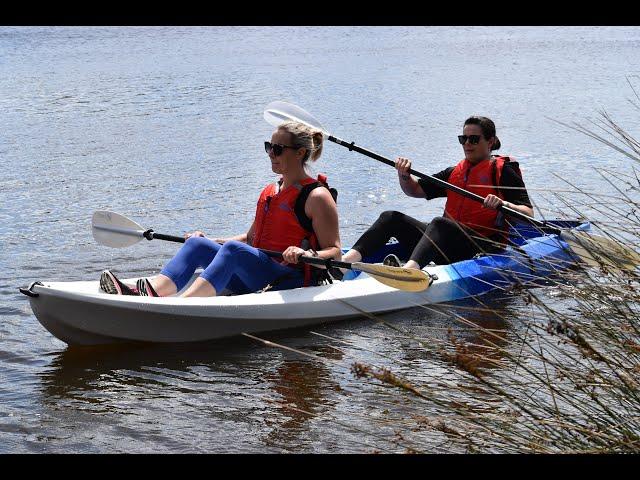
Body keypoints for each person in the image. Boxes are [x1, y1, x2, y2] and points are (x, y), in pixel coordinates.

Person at [100, 120, 341, 297]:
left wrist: (308, 255)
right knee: (196, 243)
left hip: (288, 279)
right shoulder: (270, 191)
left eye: (278, 149)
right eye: (269, 146)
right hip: (256, 272)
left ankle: (182, 306)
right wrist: (213, 241)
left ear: (300, 153)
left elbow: (335, 251)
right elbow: (251, 238)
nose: (270, 154)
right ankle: (147, 293)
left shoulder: (317, 196)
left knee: (234, 250)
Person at [341, 116, 533, 270]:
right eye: (463, 139)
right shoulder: (454, 172)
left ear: (490, 142)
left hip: (478, 247)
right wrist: (404, 176)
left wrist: (503, 204)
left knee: (440, 224)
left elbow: (528, 214)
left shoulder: (503, 171)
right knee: (391, 217)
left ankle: (409, 272)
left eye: (474, 139)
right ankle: (344, 264)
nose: (467, 144)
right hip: (445, 242)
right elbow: (415, 190)